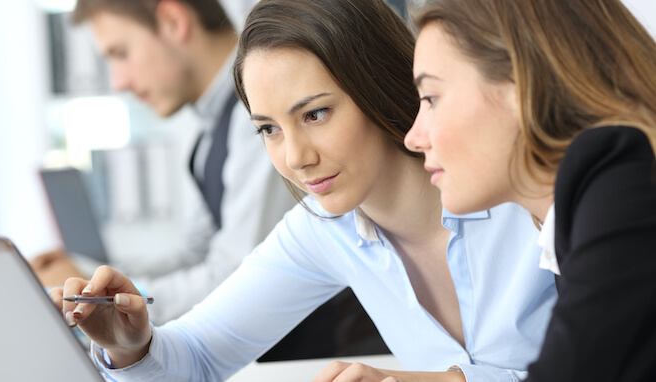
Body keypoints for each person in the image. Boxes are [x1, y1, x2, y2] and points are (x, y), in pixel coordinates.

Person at [51, 0, 557, 381]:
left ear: (378, 87)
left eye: (315, 114)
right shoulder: (326, 228)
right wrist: (132, 347)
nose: (295, 157)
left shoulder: (524, 189)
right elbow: (199, 357)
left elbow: (623, 358)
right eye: (268, 129)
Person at [402, 0, 656, 381]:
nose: (414, 137)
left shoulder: (620, 177)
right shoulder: (589, 208)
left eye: (431, 99)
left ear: (522, 84)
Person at [32, 0, 295, 325]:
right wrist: (88, 275)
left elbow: (237, 276)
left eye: (120, 53)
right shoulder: (212, 128)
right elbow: (195, 256)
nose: (118, 82)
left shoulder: (259, 112)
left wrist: (108, 300)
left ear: (173, 21)